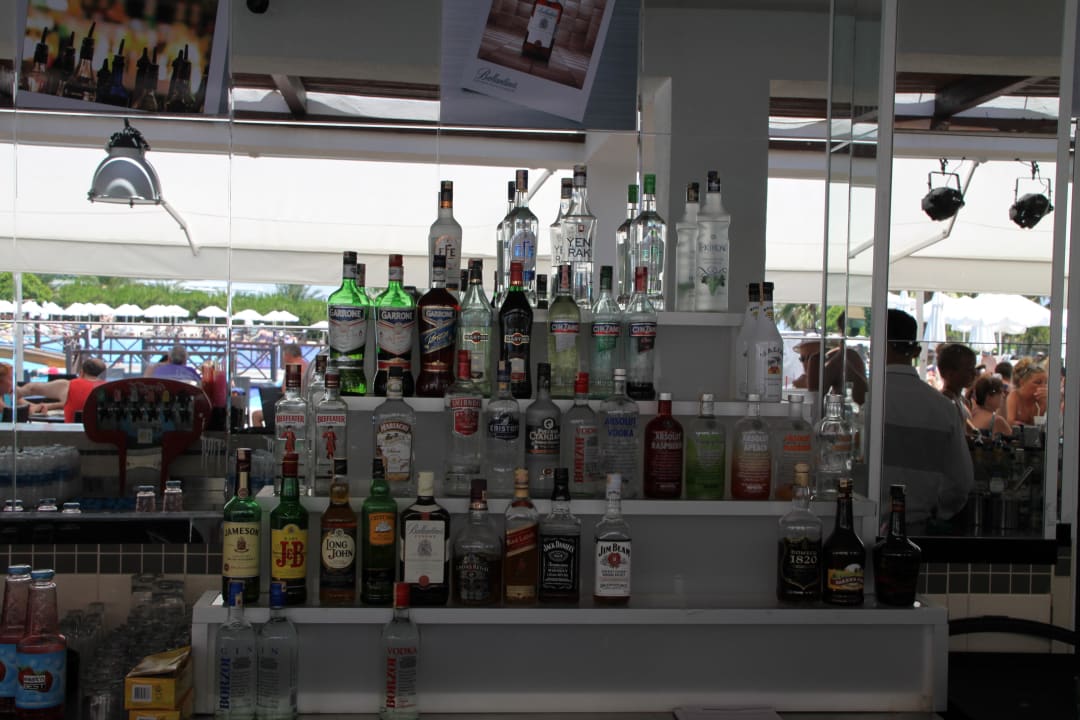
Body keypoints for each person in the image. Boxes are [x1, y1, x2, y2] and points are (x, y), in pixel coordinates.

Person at [881, 309, 974, 535]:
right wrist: (937, 510)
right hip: (918, 527)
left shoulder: (865, 402)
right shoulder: (943, 408)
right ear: (915, 350)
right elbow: (961, 482)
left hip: (863, 525)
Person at [791, 313, 868, 405]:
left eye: (812, 356)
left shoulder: (846, 359)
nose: (807, 362)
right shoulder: (797, 383)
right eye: (802, 358)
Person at [936, 342, 977, 429]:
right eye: (969, 369)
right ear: (949, 373)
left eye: (974, 368)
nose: (974, 373)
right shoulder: (947, 402)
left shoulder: (960, 399)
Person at [1006, 357, 1048, 426]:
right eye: (1037, 382)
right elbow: (1010, 423)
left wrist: (1044, 403)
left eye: (1046, 383)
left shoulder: (1042, 400)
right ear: (1022, 382)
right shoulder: (1014, 397)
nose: (1043, 386)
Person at [63, 358, 107, 423]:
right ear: (104, 374)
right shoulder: (109, 387)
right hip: (98, 429)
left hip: (72, 428)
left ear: (82, 372)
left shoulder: (70, 384)